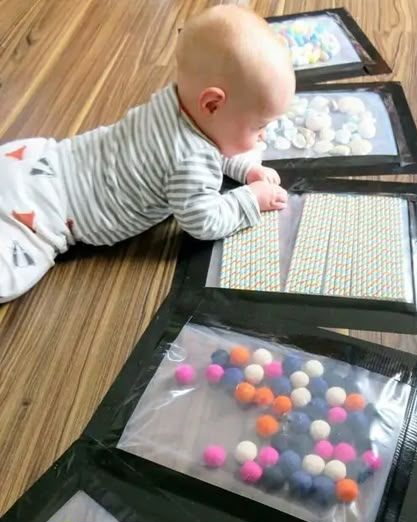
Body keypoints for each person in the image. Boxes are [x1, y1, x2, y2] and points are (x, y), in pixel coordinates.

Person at [0, 4, 295, 303]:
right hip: (47, 215)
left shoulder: (176, 102)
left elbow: (207, 138)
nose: (263, 136)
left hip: (34, 158)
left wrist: (243, 168)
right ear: (213, 105)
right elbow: (203, 221)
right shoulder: (192, 160)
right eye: (259, 126)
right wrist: (251, 199)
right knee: (8, 281)